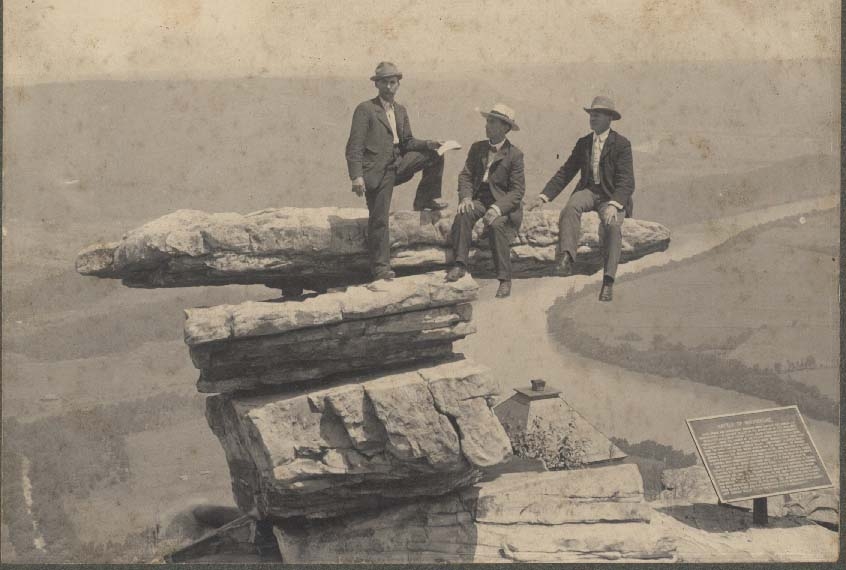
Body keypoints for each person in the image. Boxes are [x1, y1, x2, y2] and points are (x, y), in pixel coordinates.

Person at [345, 61, 448, 281]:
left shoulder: (400, 110)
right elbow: (354, 145)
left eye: (393, 83)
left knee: (436, 155)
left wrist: (430, 143)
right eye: (385, 83)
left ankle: (425, 199)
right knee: (379, 219)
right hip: (377, 172)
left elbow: (408, 142)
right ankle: (381, 269)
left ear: (398, 84)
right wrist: (357, 176)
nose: (390, 87)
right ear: (377, 85)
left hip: (398, 165)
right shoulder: (365, 110)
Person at [527, 96, 634, 302]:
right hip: (589, 191)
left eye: (598, 114)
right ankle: (566, 257)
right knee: (570, 209)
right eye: (591, 113)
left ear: (609, 118)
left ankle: (608, 281)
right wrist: (543, 197)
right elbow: (566, 172)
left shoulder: (621, 144)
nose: (593, 117)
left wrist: (614, 204)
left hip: (611, 196)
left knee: (612, 225)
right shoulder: (584, 143)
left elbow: (627, 181)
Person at [446, 104, 525, 299]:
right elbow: (465, 175)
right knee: (463, 214)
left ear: (504, 127)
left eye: (492, 122)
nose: (487, 125)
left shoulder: (515, 155)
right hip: (479, 199)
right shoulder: (477, 148)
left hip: (503, 203)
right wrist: (465, 197)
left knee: (496, 226)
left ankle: (505, 279)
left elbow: (517, 191)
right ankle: (460, 264)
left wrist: (497, 209)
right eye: (487, 121)